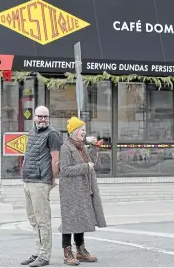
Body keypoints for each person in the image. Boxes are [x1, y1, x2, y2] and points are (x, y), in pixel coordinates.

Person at [58, 116, 107, 266]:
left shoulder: (82, 146)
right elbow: (64, 170)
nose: (84, 132)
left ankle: (80, 250)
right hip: (70, 190)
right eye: (82, 129)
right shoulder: (66, 147)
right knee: (69, 221)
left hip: (83, 189)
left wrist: (94, 147)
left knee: (81, 219)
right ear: (73, 131)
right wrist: (85, 167)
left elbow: (92, 162)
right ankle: (67, 253)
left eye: (85, 130)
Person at [21, 106, 62, 267]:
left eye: (45, 116)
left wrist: (52, 180)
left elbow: (56, 160)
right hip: (28, 181)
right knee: (33, 219)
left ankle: (44, 255)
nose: (42, 119)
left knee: (43, 219)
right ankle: (38, 252)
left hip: (40, 182)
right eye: (40, 116)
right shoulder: (32, 133)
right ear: (34, 117)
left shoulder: (52, 134)